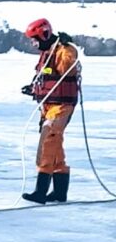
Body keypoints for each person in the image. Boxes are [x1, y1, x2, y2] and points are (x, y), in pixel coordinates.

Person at [21, 18, 80, 204]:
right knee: (55, 145)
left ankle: (40, 191)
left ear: (44, 34)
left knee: (47, 141)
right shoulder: (46, 53)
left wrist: (66, 47)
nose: (33, 43)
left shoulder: (64, 50)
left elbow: (68, 70)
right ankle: (59, 192)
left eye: (34, 39)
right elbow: (45, 76)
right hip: (48, 106)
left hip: (62, 105)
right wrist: (33, 88)